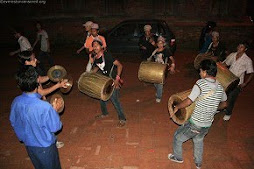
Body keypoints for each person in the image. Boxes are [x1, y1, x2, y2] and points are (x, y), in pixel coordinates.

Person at [168, 59, 227, 169]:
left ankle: (178, 157)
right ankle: (198, 163)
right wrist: (213, 108)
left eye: (200, 71)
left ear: (204, 72)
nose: (199, 73)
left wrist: (177, 106)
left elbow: (189, 101)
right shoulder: (220, 87)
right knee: (198, 140)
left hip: (195, 123)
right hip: (207, 124)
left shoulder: (200, 84)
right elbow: (224, 104)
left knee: (177, 137)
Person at [10, 66, 63, 169]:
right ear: (38, 81)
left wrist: (25, 137)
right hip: (45, 147)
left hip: (30, 146)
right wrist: (54, 110)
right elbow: (55, 127)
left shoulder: (16, 101)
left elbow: (14, 122)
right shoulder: (44, 107)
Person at [91, 39, 126, 127]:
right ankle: (105, 113)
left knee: (114, 99)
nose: (95, 47)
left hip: (113, 79)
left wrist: (117, 79)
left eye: (97, 45)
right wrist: (89, 75)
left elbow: (120, 65)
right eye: (93, 45)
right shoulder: (95, 57)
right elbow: (96, 68)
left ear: (102, 46)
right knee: (102, 97)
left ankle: (122, 118)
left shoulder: (107, 55)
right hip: (105, 80)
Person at [222, 42, 254, 121]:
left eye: (242, 47)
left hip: (237, 83)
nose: (239, 48)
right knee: (223, 95)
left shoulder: (247, 60)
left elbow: (251, 73)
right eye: (239, 46)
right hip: (227, 80)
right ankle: (223, 107)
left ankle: (228, 113)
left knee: (231, 98)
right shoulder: (232, 55)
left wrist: (245, 83)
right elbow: (225, 64)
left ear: (245, 49)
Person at [147, 36, 175, 103]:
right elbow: (150, 58)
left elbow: (172, 59)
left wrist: (172, 66)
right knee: (154, 81)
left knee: (159, 82)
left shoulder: (166, 50)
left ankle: (159, 96)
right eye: (159, 43)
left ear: (163, 44)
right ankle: (160, 89)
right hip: (155, 69)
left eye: (161, 43)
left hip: (163, 69)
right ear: (157, 44)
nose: (160, 45)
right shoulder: (155, 51)